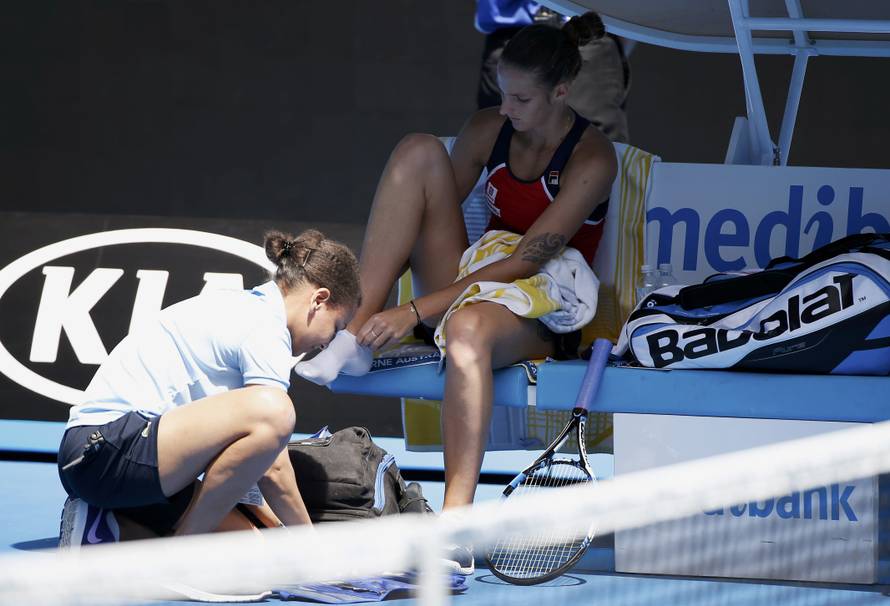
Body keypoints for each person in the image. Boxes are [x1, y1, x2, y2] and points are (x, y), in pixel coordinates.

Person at [295, 12, 616, 572]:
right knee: (419, 149)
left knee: (466, 332)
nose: (506, 109)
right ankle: (351, 334)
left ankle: (457, 526)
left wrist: (413, 311)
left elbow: (525, 261)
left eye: (521, 99)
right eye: (502, 93)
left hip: (543, 301)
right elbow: (422, 210)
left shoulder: (593, 158)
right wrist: (388, 304)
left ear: (561, 92)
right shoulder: (489, 128)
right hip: (476, 276)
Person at [57, 229, 361, 547]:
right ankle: (184, 551)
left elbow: (250, 467)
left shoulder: (248, 308)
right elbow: (273, 468)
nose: (326, 343)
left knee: (253, 551)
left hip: (115, 462)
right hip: (105, 452)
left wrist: (275, 530)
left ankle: (99, 525)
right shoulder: (265, 327)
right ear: (319, 300)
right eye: (336, 327)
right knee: (276, 411)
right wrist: (312, 546)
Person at [476, 1, 631, 143]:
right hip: (508, 39)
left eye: (522, 99)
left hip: (585, 35)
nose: (504, 110)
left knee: (594, 147)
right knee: (496, 149)